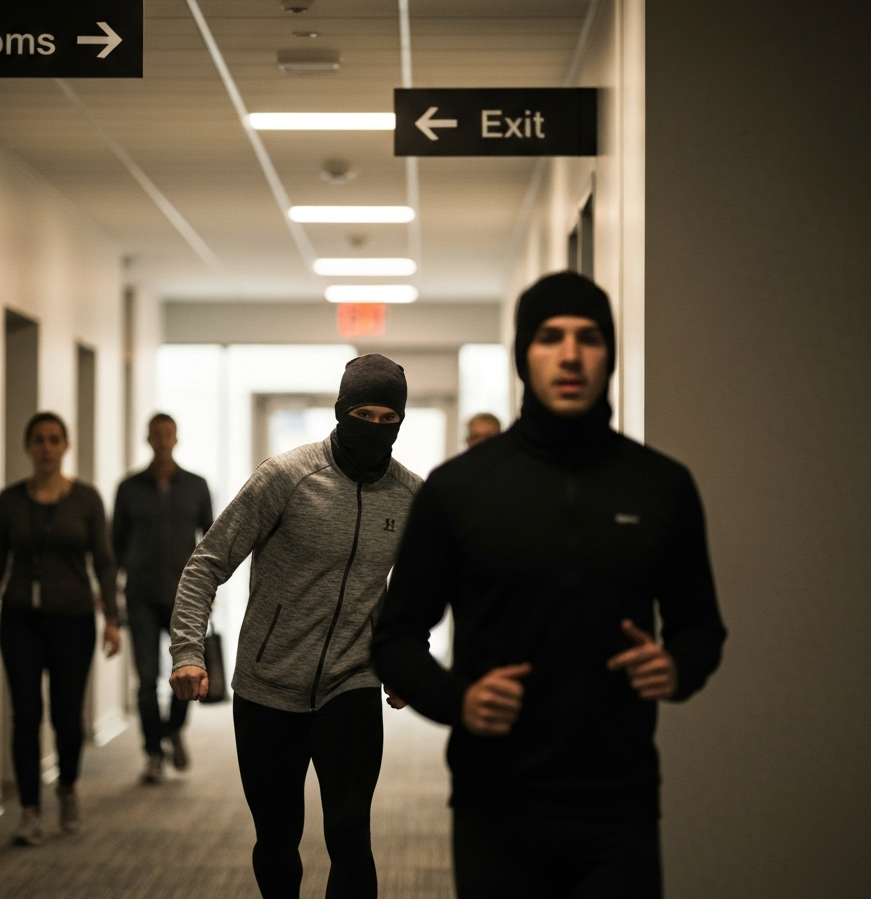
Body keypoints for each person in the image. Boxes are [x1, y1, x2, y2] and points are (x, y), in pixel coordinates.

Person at [373, 272, 727, 899]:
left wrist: (678, 667)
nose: (570, 355)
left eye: (589, 338)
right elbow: (396, 635)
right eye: (549, 337)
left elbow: (701, 626)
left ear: (610, 354)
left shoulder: (660, 485)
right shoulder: (461, 487)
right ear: (522, 356)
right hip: (496, 801)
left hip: (620, 805)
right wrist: (457, 700)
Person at [169, 354, 422, 899]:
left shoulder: (409, 497)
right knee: (278, 839)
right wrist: (187, 651)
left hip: (351, 684)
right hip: (268, 686)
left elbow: (414, 596)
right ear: (339, 411)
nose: (375, 428)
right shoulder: (286, 477)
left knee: (352, 831)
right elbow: (206, 563)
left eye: (388, 418)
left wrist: (407, 660)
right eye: (364, 413)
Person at [0, 412, 120, 846]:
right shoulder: (10, 500)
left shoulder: (88, 499)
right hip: (19, 618)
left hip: (73, 618)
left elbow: (105, 562)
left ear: (65, 446)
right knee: (25, 715)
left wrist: (111, 618)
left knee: (67, 716)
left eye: (55, 440)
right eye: (39, 440)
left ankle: (68, 788)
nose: (47, 447)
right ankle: (30, 810)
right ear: (28, 446)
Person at [113, 413, 213, 784]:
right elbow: (115, 545)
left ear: (176, 438)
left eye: (167, 434)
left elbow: (211, 542)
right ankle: (153, 753)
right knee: (146, 679)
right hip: (139, 594)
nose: (162, 440)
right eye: (156, 435)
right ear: (148, 439)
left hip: (183, 598)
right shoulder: (128, 488)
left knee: (184, 671)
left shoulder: (196, 486)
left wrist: (208, 591)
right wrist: (111, 590)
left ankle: (173, 729)